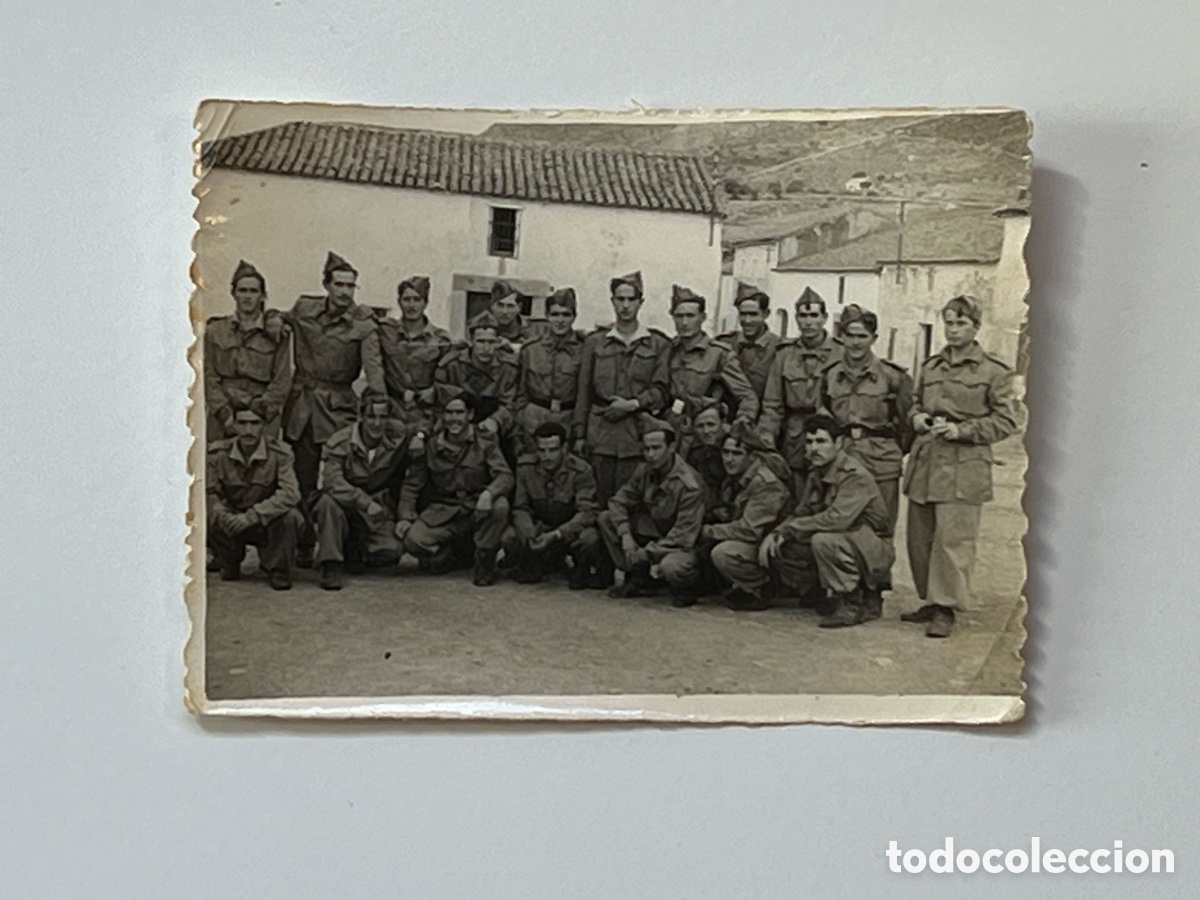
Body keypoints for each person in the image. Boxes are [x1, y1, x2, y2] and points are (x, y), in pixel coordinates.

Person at [901, 295, 1022, 638]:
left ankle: (947, 607)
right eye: (949, 323)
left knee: (954, 540)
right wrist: (918, 419)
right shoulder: (931, 366)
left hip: (963, 465)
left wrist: (963, 430)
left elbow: (1006, 421)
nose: (953, 331)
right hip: (927, 462)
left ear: (976, 327)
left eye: (961, 324)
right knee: (920, 538)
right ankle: (930, 599)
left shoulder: (993, 371)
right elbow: (913, 404)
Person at [282, 251, 386, 565]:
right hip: (302, 407)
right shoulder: (304, 308)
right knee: (302, 476)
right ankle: (302, 542)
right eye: (339, 284)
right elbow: (278, 321)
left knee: (342, 479)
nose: (345, 292)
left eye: (351, 286)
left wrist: (379, 402)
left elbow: (374, 367)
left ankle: (345, 544)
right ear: (326, 285)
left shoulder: (363, 322)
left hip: (338, 408)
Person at [821, 304, 914, 619]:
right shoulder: (830, 376)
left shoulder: (892, 377)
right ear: (841, 336)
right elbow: (824, 418)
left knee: (879, 527)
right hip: (844, 459)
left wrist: (890, 452)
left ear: (874, 337)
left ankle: (875, 592)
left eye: (862, 336)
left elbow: (907, 423)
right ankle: (848, 591)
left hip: (881, 459)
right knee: (843, 521)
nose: (856, 342)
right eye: (850, 335)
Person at [758, 415, 893, 628]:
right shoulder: (817, 473)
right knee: (785, 547)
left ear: (838, 444)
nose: (813, 448)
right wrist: (779, 533)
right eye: (809, 442)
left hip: (872, 550)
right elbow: (800, 513)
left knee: (823, 540)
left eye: (821, 441)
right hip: (850, 543)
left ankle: (855, 600)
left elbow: (836, 520)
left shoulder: (853, 474)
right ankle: (822, 592)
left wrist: (792, 528)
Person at [574, 271, 671, 510]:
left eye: (631, 299)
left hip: (636, 436)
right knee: (598, 502)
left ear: (641, 302)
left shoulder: (657, 344)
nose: (625, 306)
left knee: (631, 504)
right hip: (601, 435)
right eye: (620, 299)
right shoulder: (595, 342)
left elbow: (662, 390)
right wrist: (579, 435)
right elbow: (583, 391)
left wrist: (634, 404)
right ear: (612, 301)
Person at [396, 393, 514, 587]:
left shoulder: (485, 440)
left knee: (500, 506)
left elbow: (505, 476)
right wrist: (405, 516)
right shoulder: (431, 445)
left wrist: (488, 493)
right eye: (449, 413)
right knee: (413, 540)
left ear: (470, 414)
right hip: (445, 510)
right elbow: (412, 484)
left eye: (459, 412)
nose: (454, 418)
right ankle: (451, 557)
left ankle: (484, 560)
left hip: (476, 508)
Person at [598, 416, 707, 607]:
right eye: (646, 449)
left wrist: (644, 554)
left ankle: (687, 587)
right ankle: (640, 579)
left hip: (686, 542)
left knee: (672, 566)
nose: (650, 455)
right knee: (607, 518)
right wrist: (625, 535)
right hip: (658, 529)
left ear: (672, 448)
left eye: (656, 448)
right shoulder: (645, 470)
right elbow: (617, 502)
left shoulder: (690, 484)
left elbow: (683, 536)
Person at [311, 395, 412, 591]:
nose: (376, 423)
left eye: (383, 417)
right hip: (345, 502)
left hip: (377, 505)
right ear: (360, 416)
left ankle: (355, 547)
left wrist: (420, 438)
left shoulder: (397, 435)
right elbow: (332, 481)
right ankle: (330, 564)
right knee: (327, 502)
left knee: (392, 550)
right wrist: (363, 501)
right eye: (371, 416)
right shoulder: (340, 441)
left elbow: (419, 427)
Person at [206, 405, 304, 590]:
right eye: (242, 423)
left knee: (291, 517)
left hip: (265, 520)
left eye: (255, 423)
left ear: (264, 426)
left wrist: (252, 516)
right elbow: (211, 492)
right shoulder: (218, 454)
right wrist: (221, 512)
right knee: (210, 513)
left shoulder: (280, 454)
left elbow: (291, 493)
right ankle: (229, 560)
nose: (248, 430)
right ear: (233, 425)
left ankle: (278, 568)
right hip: (233, 518)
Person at [759, 287, 844, 496]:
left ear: (824, 318)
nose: (808, 322)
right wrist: (766, 438)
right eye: (803, 316)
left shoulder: (841, 353)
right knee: (796, 496)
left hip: (829, 436)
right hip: (795, 438)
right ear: (796, 318)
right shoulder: (785, 354)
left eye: (814, 315)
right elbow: (773, 403)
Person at [702, 423, 792, 611]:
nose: (728, 459)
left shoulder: (765, 483)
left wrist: (709, 531)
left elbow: (749, 530)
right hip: (757, 544)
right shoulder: (736, 477)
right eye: (725, 453)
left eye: (736, 454)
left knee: (723, 553)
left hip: (777, 549)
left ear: (752, 457)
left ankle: (764, 586)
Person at [506, 422, 602, 589]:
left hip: (567, 532)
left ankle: (580, 568)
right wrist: (530, 534)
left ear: (564, 448)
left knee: (590, 538)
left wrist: (557, 534)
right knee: (508, 537)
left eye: (553, 450)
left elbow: (587, 512)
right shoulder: (525, 467)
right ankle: (540, 562)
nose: (547, 456)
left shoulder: (581, 470)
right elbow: (520, 508)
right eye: (542, 450)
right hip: (539, 528)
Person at [204, 260, 292, 441]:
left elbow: (281, 380)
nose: (247, 296)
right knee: (219, 463)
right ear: (233, 293)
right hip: (224, 413)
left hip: (262, 415)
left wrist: (259, 414)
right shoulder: (215, 331)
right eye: (242, 290)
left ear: (263, 296)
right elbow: (209, 375)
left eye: (253, 291)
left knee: (263, 465)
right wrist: (224, 414)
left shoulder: (277, 333)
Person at [667, 283, 759, 429]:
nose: (684, 323)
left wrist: (739, 425)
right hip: (672, 429)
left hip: (704, 432)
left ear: (702, 317)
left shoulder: (719, 354)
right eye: (679, 316)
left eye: (690, 316)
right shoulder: (668, 351)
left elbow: (747, 397)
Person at [377, 275, 453, 433]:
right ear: (399, 302)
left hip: (424, 415)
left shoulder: (440, 339)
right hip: (390, 412)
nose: (411, 305)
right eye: (407, 299)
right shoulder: (385, 331)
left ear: (425, 303)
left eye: (417, 299)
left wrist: (434, 391)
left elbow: (450, 378)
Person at [514, 287, 584, 456]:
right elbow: (521, 392)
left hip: (567, 421)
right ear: (547, 315)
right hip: (534, 421)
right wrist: (520, 424)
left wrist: (580, 431)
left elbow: (585, 393)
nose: (560, 321)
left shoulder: (584, 349)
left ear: (574, 317)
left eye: (566, 315)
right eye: (555, 314)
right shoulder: (531, 349)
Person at [434, 311, 518, 443]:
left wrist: (496, 421)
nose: (486, 348)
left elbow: (510, 405)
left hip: (493, 428)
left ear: (498, 342)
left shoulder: (508, 368)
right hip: (456, 425)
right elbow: (439, 400)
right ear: (470, 341)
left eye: (491, 342)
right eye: (480, 341)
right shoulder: (452, 365)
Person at [717, 281, 781, 402]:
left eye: (753, 315)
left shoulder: (779, 349)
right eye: (743, 314)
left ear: (766, 314)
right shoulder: (725, 344)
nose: (747, 320)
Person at [469, 279, 538, 356]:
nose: (504, 312)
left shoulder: (532, 326)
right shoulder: (480, 323)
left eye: (510, 306)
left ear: (519, 307)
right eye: (500, 305)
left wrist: (513, 348)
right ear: (492, 305)